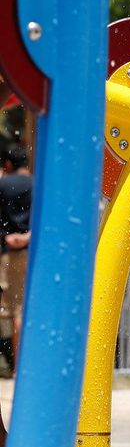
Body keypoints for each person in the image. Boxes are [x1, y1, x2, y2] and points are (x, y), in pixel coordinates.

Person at [0, 142, 32, 373]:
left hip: (5, 253)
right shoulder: (39, 185)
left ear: (8, 164)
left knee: (8, 310)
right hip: (32, 253)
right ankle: (20, 366)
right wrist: (28, 237)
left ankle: (11, 365)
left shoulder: (3, 185)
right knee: (21, 311)